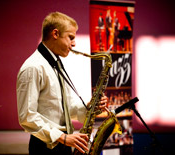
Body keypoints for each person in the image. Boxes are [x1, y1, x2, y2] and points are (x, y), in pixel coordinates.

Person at [16, 12, 108, 155]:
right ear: (55, 33)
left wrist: (90, 107)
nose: (74, 43)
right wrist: (62, 137)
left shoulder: (55, 64)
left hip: (63, 143)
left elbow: (64, 109)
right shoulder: (33, 67)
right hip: (46, 147)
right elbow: (27, 116)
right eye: (71, 37)